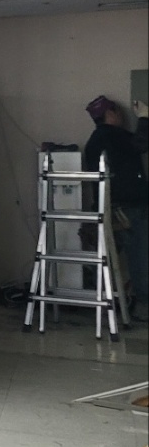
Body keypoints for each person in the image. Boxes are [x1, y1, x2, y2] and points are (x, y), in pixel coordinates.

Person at [79, 96, 149, 322]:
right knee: (140, 258)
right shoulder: (113, 136)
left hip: (109, 208)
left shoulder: (96, 140)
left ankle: (101, 301)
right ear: (109, 114)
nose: (120, 115)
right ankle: (143, 306)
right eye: (116, 111)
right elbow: (141, 144)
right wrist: (144, 118)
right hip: (129, 209)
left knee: (109, 260)